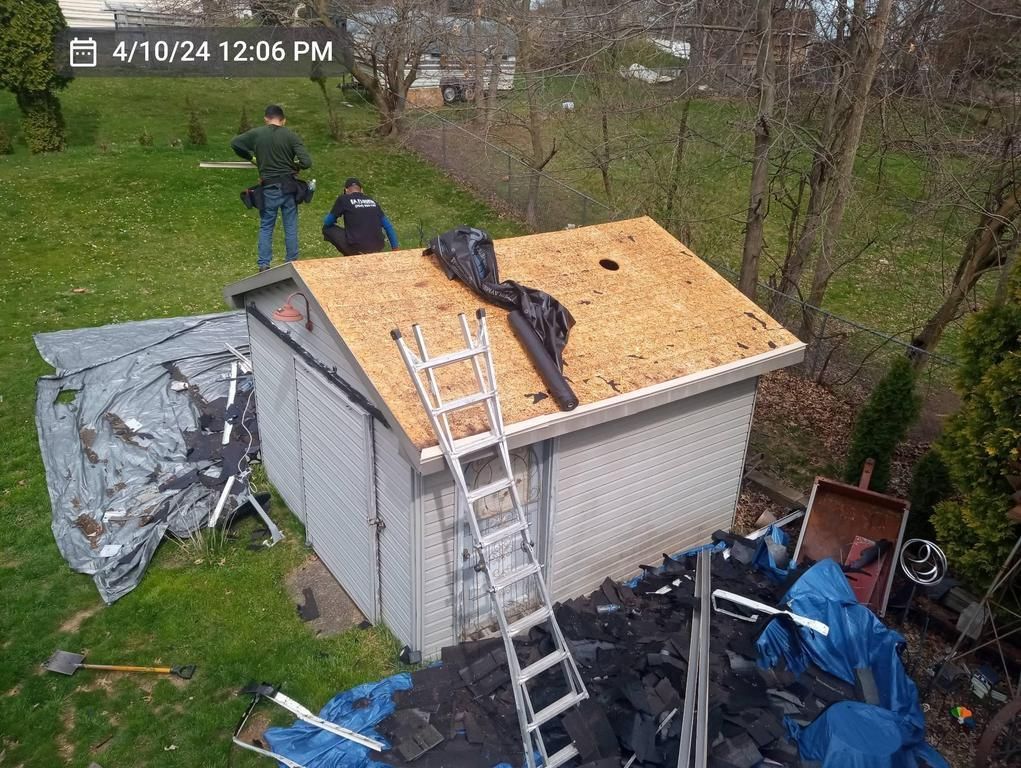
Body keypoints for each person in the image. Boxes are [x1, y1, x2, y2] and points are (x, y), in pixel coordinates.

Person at [231, 104, 313, 271]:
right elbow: (307, 162)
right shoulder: (291, 135)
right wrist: (294, 165)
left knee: (266, 225)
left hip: (268, 188)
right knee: (290, 225)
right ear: (283, 120)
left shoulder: (256, 134)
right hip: (289, 187)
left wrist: (251, 157)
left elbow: (235, 143)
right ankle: (292, 261)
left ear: (266, 119)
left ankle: (263, 264)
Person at [322, 178, 399, 256]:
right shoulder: (372, 201)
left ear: (345, 190)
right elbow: (388, 226)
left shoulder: (343, 199)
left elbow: (327, 222)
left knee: (327, 228)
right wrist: (395, 248)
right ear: (362, 190)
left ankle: (351, 254)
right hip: (377, 247)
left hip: (357, 248)